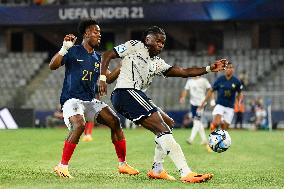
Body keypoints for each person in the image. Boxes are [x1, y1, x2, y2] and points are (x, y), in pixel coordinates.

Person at [99, 26, 227, 183]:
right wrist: (103, 79)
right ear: (147, 40)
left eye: (163, 42)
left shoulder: (157, 63)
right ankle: (186, 173)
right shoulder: (134, 45)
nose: (161, 44)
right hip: (125, 92)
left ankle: (157, 169)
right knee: (162, 128)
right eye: (157, 40)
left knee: (168, 123)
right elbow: (107, 54)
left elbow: (184, 72)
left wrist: (208, 68)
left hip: (135, 95)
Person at [49, 19, 138, 178]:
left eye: (100, 32)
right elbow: (53, 65)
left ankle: (123, 164)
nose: (99, 35)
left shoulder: (99, 58)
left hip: (89, 101)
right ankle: (62, 166)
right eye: (96, 32)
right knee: (79, 125)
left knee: (114, 121)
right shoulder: (73, 51)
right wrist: (63, 49)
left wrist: (123, 65)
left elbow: (109, 78)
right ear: (86, 34)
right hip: (72, 99)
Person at [199, 62, 243, 132]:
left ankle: (220, 140)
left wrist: (239, 101)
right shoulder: (220, 79)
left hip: (230, 106)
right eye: (227, 67)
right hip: (220, 105)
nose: (229, 69)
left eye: (231, 67)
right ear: (225, 69)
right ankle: (211, 140)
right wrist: (204, 102)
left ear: (233, 69)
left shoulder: (236, 81)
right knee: (216, 123)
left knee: (224, 128)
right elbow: (211, 91)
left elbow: (240, 93)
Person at [179, 76, 212, 145]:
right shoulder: (189, 81)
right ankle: (204, 140)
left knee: (197, 121)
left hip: (201, 104)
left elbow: (210, 89)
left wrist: (212, 100)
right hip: (193, 104)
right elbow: (185, 90)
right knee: (197, 122)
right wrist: (183, 98)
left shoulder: (204, 80)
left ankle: (191, 139)